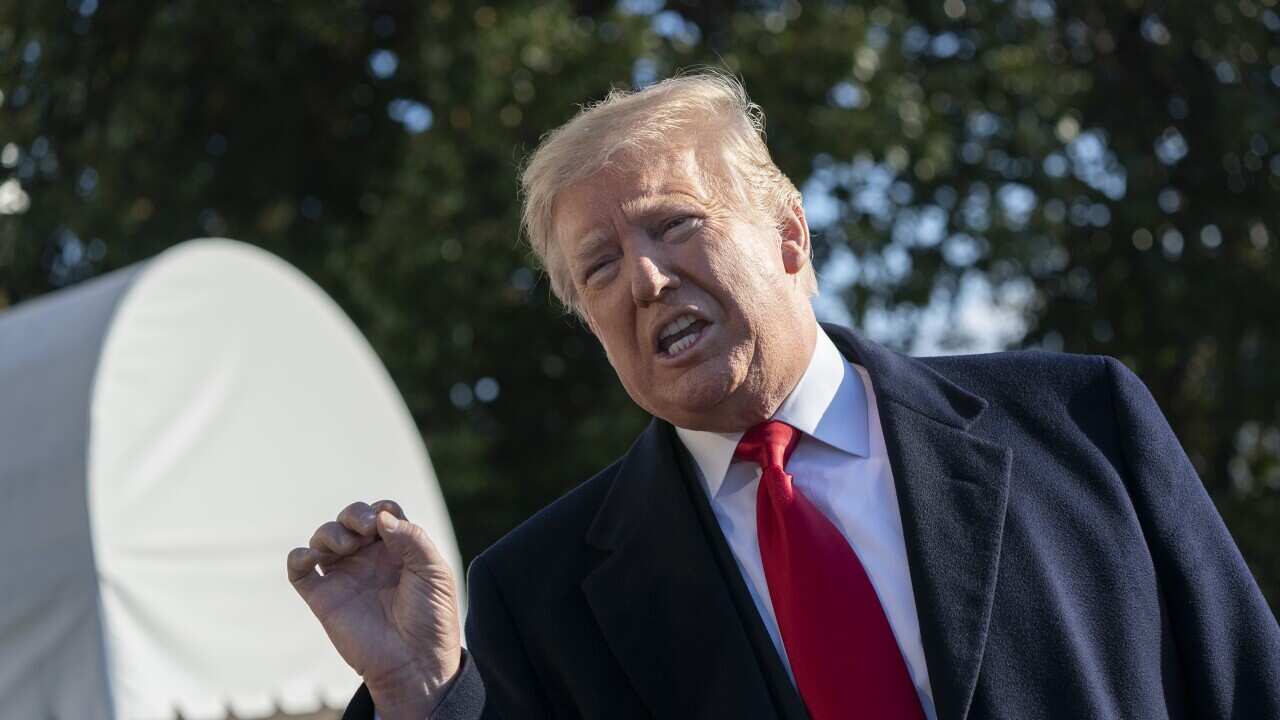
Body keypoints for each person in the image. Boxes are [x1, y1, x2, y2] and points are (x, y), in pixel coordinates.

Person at [287, 72, 1280, 720]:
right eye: (599, 268)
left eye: (673, 225)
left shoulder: (1080, 422)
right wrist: (422, 694)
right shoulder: (533, 596)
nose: (645, 280)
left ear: (789, 237)